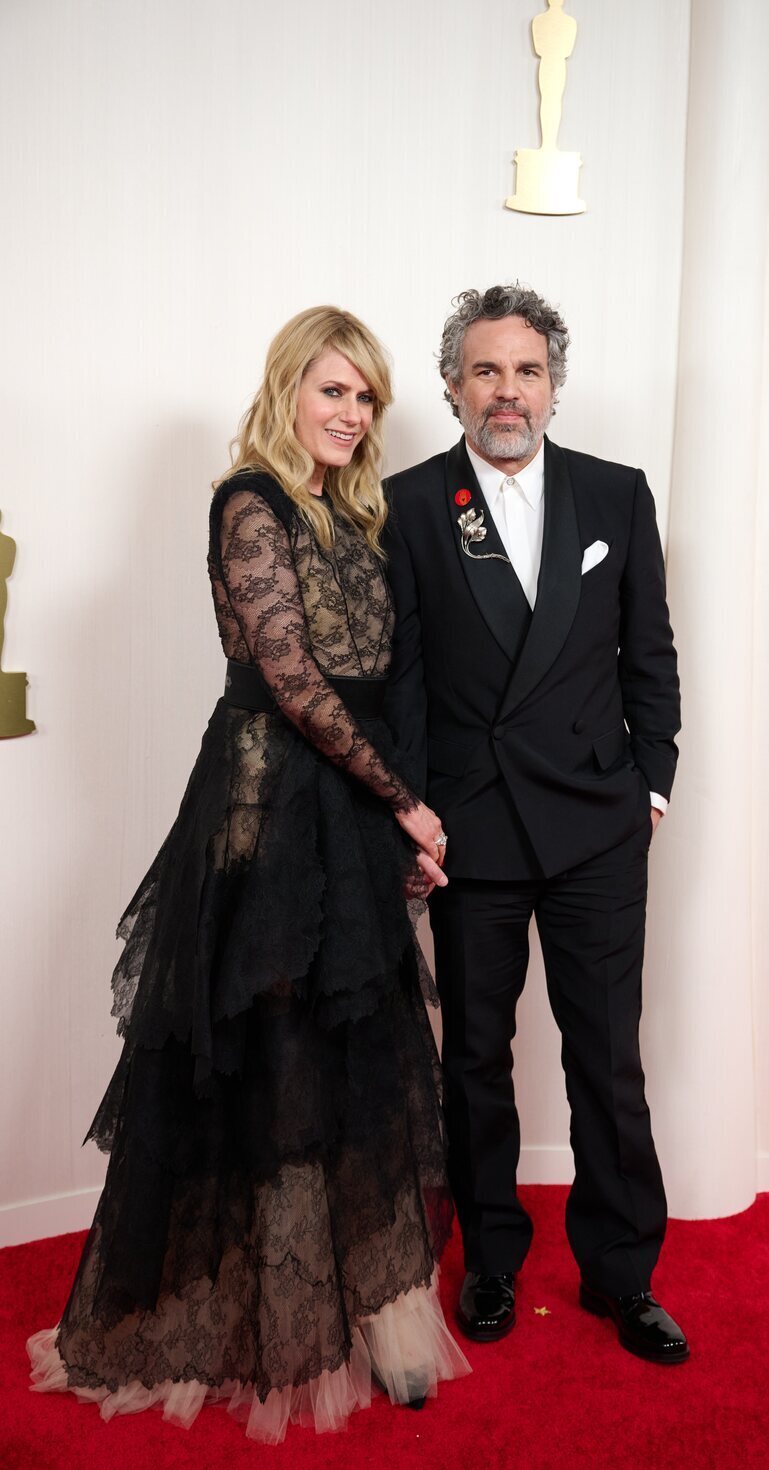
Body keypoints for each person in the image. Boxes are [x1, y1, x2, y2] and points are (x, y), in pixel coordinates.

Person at [27, 306, 470, 1443]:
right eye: (332, 391)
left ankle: (374, 1319)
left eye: (365, 396)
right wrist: (407, 802)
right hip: (270, 808)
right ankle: (274, 1326)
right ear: (287, 390)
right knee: (274, 1061)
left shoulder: (348, 512)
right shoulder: (249, 502)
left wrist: (394, 821)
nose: (351, 413)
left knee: (357, 1057)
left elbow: (375, 682)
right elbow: (289, 678)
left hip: (351, 805)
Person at [382, 284, 689, 1363]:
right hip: (473, 829)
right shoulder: (413, 505)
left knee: (606, 1060)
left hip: (599, 826)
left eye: (525, 371)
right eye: (484, 370)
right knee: (474, 1059)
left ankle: (621, 1274)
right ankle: (495, 1264)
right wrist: (412, 827)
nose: (505, 391)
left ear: (552, 386)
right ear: (452, 385)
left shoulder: (614, 495)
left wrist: (649, 788)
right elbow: (402, 684)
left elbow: (648, 658)